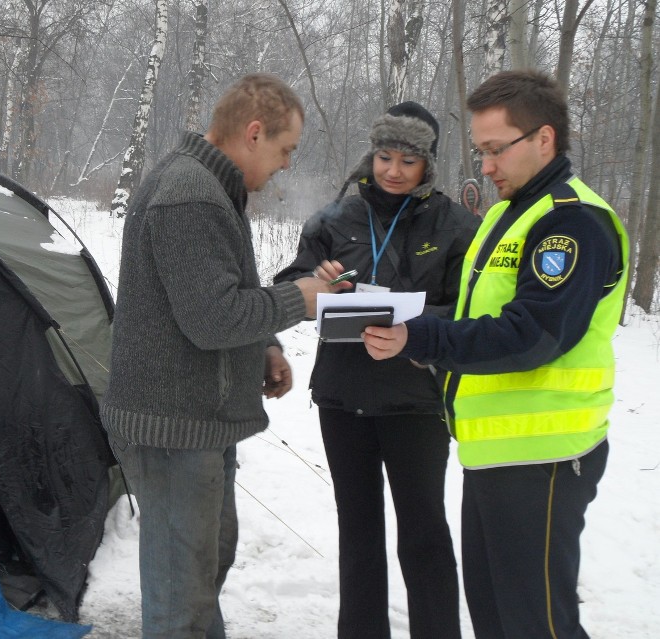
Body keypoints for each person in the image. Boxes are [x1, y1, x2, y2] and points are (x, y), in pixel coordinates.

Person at [362, 70, 629, 639]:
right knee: (495, 619)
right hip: (496, 454)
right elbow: (474, 320)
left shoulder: (572, 223)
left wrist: (424, 339)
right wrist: (416, 327)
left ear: (544, 139)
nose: (484, 166)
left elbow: (532, 334)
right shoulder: (513, 213)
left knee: (536, 624)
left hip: (544, 457)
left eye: (493, 150)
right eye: (480, 151)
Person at [100, 73, 350, 639]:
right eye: (285, 149)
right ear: (254, 134)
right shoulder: (188, 194)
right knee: (178, 596)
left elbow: (214, 292)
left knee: (204, 569)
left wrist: (263, 344)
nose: (286, 164)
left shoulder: (211, 189)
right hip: (171, 427)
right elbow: (211, 318)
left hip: (198, 422)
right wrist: (299, 298)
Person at [275, 101, 478, 638]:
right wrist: (316, 280)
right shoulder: (334, 218)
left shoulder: (457, 224)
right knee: (358, 531)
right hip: (343, 397)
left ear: (427, 165)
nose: (392, 170)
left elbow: (471, 311)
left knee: (424, 530)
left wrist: (416, 323)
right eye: (384, 156)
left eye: (407, 161)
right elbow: (288, 284)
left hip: (417, 398)